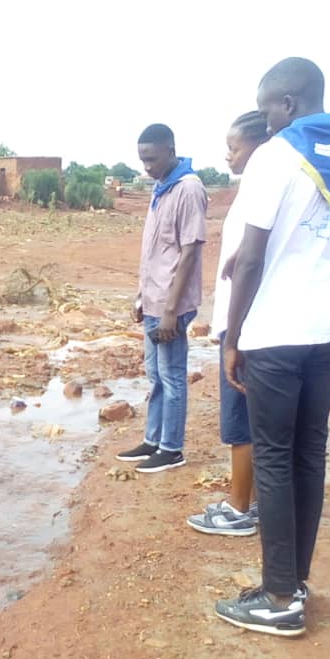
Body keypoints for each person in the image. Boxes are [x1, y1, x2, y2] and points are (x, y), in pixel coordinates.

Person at [216, 58, 330, 637]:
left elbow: (251, 259)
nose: (267, 121)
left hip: (275, 338)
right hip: (327, 334)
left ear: (285, 104)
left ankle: (280, 598)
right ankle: (295, 581)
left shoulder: (277, 157)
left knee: (276, 458)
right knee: (310, 455)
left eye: (267, 110)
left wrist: (234, 338)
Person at [187, 112, 271, 537]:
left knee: (241, 422)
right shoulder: (255, 190)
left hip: (245, 328)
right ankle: (251, 503)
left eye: (234, 147)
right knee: (251, 422)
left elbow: (250, 264)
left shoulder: (263, 188)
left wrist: (232, 335)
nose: (228, 155)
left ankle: (240, 509)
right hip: (242, 324)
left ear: (258, 145)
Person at [115, 123, 207, 473]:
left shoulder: (188, 189)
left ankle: (172, 448)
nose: (146, 167)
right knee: (155, 374)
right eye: (142, 160)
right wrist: (141, 296)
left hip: (172, 304)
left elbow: (189, 252)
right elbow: (155, 250)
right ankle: (153, 440)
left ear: (171, 150)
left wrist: (170, 310)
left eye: (152, 159)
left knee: (172, 376)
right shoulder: (161, 187)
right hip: (153, 300)